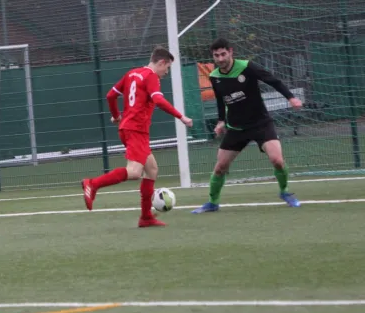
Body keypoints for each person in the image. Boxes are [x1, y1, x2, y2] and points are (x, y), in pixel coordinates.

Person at [81, 46, 193, 227]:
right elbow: (158, 100)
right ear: (161, 62)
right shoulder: (151, 77)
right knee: (134, 172)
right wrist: (181, 117)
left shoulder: (132, 74)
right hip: (136, 130)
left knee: (152, 170)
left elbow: (110, 95)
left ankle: (146, 217)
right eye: (167, 68)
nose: (166, 72)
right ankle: (92, 184)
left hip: (128, 128)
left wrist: (117, 116)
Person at [192, 38, 303, 214]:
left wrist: (290, 97)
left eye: (223, 54)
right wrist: (221, 121)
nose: (220, 59)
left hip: (260, 124)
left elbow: (272, 80)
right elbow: (221, 100)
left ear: (230, 52)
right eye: (216, 55)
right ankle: (212, 203)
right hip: (236, 128)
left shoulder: (246, 67)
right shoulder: (214, 76)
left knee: (277, 161)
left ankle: (285, 192)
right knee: (220, 167)